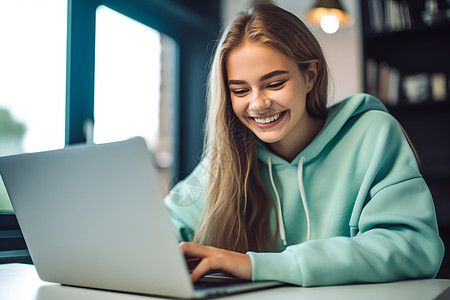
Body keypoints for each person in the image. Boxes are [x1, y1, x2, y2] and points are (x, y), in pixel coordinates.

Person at [164, 3, 444, 286]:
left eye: (274, 84)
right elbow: (161, 228)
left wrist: (255, 265)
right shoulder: (225, 159)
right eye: (240, 90)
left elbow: (413, 247)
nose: (258, 103)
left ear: (309, 76)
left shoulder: (373, 134)